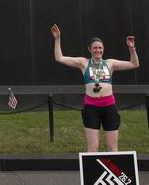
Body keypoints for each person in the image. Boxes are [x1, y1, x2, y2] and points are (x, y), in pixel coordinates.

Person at [50, 23, 139, 152]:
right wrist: (57, 39)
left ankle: (112, 172)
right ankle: (93, 172)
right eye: (95, 48)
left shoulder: (110, 63)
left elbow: (134, 64)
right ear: (89, 49)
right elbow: (59, 58)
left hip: (109, 107)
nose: (98, 50)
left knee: (113, 148)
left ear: (103, 49)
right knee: (93, 148)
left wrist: (132, 49)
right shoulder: (83, 63)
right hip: (91, 108)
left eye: (100, 48)